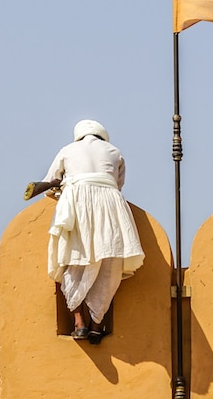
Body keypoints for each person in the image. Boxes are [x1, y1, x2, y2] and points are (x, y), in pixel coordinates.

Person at [43, 120, 144, 344]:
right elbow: (118, 184)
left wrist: (65, 189)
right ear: (102, 136)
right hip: (110, 206)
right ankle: (97, 325)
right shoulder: (115, 152)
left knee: (73, 260)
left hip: (76, 206)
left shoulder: (67, 150)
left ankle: (79, 323)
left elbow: (49, 185)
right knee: (109, 265)